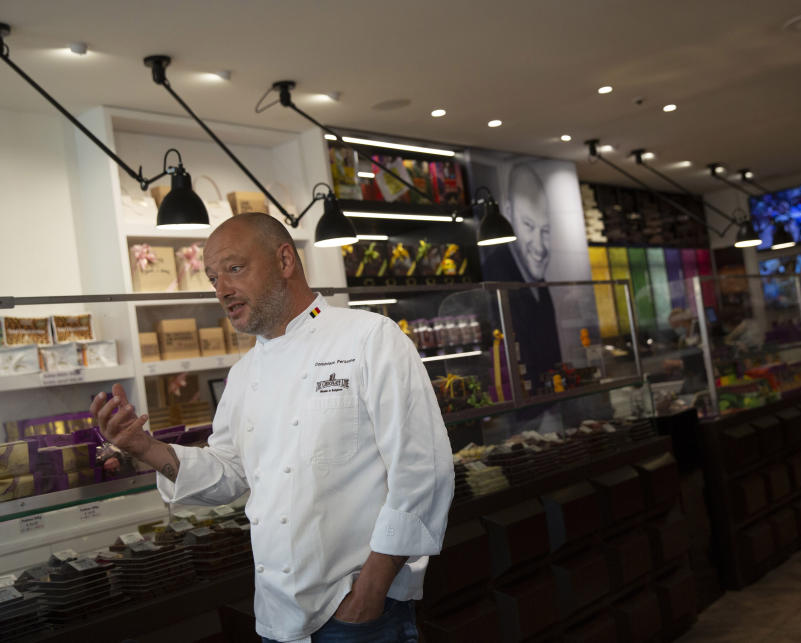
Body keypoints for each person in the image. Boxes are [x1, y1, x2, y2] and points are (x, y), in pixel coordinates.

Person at [91, 213, 454, 643]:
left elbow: (423, 472)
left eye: (234, 268)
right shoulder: (244, 374)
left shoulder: (370, 338)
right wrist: (143, 446)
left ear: (285, 260)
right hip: (278, 616)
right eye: (212, 278)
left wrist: (368, 594)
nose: (222, 289)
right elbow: (228, 474)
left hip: (358, 615)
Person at [481, 163, 562, 389]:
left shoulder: (535, 276)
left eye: (545, 231)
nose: (540, 246)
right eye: (528, 225)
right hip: (521, 402)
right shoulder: (496, 273)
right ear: (507, 213)